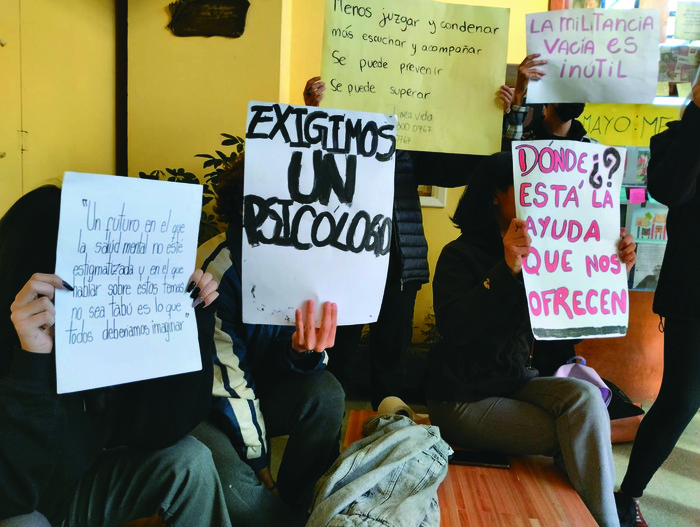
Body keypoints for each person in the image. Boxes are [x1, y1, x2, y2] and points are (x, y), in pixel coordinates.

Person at [426, 152, 637, 527]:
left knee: (588, 401)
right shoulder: (458, 254)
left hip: (514, 383)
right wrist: (504, 269)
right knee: (578, 436)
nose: (539, 196)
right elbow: (455, 328)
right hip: (461, 397)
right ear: (495, 195)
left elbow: (575, 320)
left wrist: (610, 266)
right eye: (527, 188)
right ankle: (605, 521)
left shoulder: (546, 253)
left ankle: (596, 515)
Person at [0, 185, 230, 527]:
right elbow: (10, 498)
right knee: (24, 522)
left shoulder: (97, 328)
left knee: (190, 460)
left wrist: (192, 321)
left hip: (71, 490)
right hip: (16, 501)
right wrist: (32, 361)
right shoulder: (26, 336)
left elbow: (156, 431)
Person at [303, 76, 483, 408]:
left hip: (400, 258)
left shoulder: (411, 135)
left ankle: (388, 438)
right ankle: (329, 434)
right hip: (345, 256)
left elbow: (453, 171)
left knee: (390, 361)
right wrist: (315, 112)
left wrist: (489, 117)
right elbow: (310, 165)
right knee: (337, 356)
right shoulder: (339, 126)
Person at [192, 154, 346, 526]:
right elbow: (229, 387)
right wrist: (260, 464)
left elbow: (302, 362)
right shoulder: (216, 270)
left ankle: (301, 506)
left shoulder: (299, 258)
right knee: (236, 489)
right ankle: (289, 518)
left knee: (327, 393)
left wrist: (302, 353)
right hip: (205, 404)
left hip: (261, 387)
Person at [615, 74, 700, 527]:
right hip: (693, 294)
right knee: (680, 401)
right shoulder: (671, 140)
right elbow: (675, 191)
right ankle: (628, 494)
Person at [502, 54, 596, 148]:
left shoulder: (593, 149)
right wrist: (518, 97)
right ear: (549, 93)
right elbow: (510, 156)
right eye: (567, 90)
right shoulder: (525, 141)